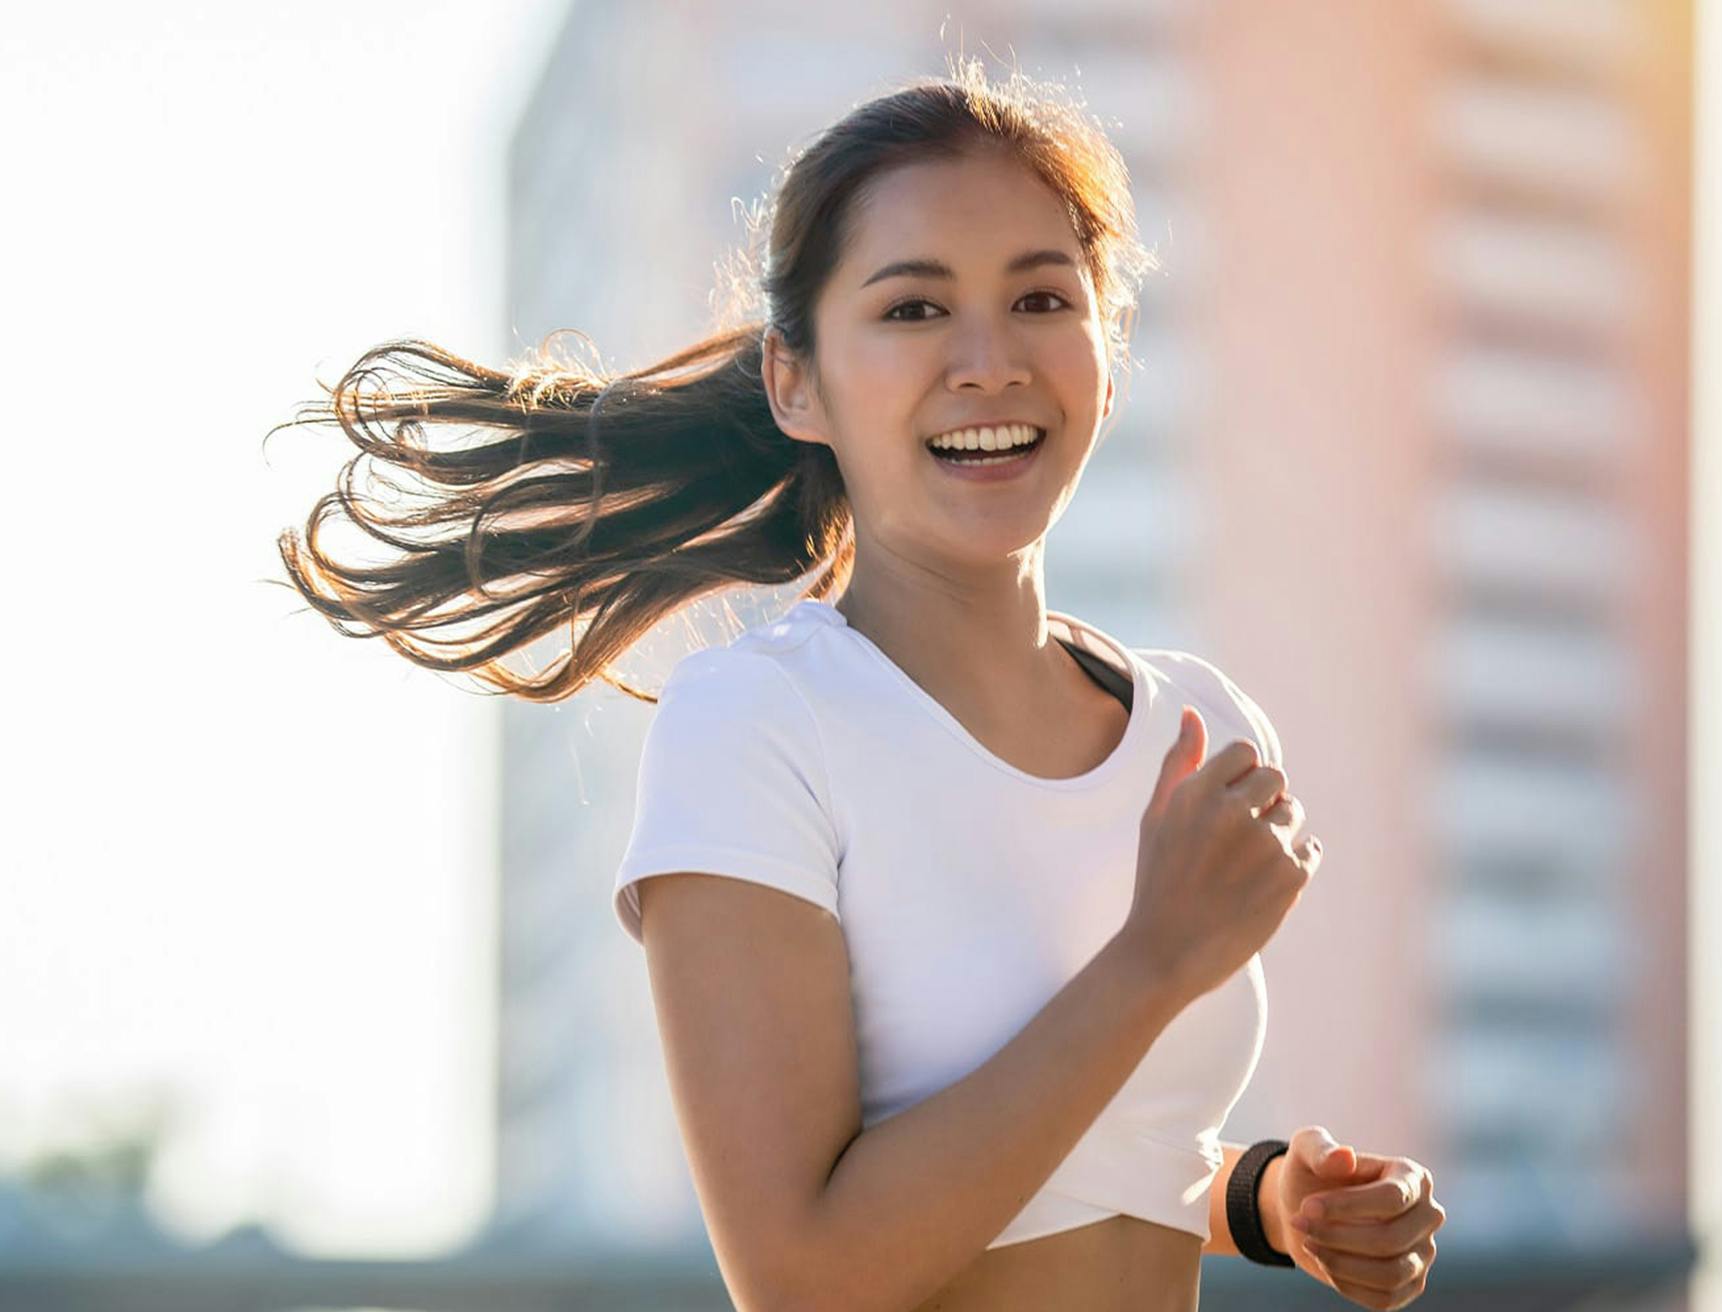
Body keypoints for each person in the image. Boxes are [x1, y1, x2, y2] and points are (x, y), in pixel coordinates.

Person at [270, 57, 1443, 1312]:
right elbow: (804, 1270)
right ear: (796, 381)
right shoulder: (758, 725)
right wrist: (1154, 957)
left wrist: (1267, 1201)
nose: (988, 361)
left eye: (1043, 298)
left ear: (1110, 347)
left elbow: (1098, 1154)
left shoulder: (1192, 722)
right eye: (912, 310)